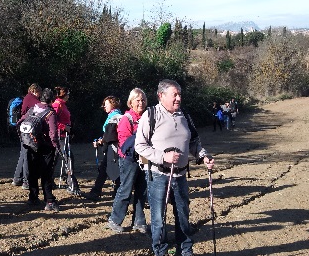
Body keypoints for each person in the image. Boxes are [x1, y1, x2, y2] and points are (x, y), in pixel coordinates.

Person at [135, 79, 215, 256]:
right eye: (175, 95)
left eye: (179, 94)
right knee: (158, 218)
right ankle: (160, 251)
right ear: (161, 96)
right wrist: (163, 157)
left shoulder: (184, 115)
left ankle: (185, 250)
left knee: (183, 216)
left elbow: (194, 142)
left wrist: (204, 156)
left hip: (180, 175)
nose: (178, 98)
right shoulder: (150, 115)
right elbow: (139, 146)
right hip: (158, 175)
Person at [107, 88, 148, 234]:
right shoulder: (127, 119)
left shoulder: (147, 117)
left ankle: (139, 221)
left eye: (143, 100)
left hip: (144, 158)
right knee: (126, 189)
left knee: (142, 190)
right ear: (131, 102)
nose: (141, 103)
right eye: (138, 100)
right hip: (129, 160)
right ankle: (114, 220)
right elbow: (124, 143)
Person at [18, 88, 60, 211]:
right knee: (46, 174)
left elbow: (20, 122)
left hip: (31, 144)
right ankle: (49, 201)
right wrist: (55, 145)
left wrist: (25, 138)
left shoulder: (32, 109)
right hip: (45, 146)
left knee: (33, 172)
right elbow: (53, 133)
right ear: (51, 100)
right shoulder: (50, 113)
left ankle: (33, 197)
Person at [84, 95, 122, 202]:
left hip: (113, 148)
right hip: (113, 147)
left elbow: (111, 135)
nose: (104, 107)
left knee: (108, 169)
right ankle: (103, 192)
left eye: (106, 104)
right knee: (107, 169)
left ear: (113, 104)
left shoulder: (115, 117)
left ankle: (98, 192)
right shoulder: (115, 116)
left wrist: (101, 141)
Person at [12, 83, 42, 189]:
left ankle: (17, 178)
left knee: (23, 153)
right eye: (39, 92)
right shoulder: (31, 99)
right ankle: (26, 181)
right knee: (27, 155)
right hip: (27, 129)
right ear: (34, 91)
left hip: (23, 127)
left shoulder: (27, 98)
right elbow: (40, 107)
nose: (40, 94)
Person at [52, 86, 80, 194]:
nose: (69, 96)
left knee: (56, 159)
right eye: (68, 94)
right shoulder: (57, 105)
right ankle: (72, 185)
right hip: (60, 136)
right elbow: (52, 120)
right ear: (64, 94)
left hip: (64, 135)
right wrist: (64, 127)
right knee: (68, 159)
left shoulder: (62, 104)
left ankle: (50, 181)